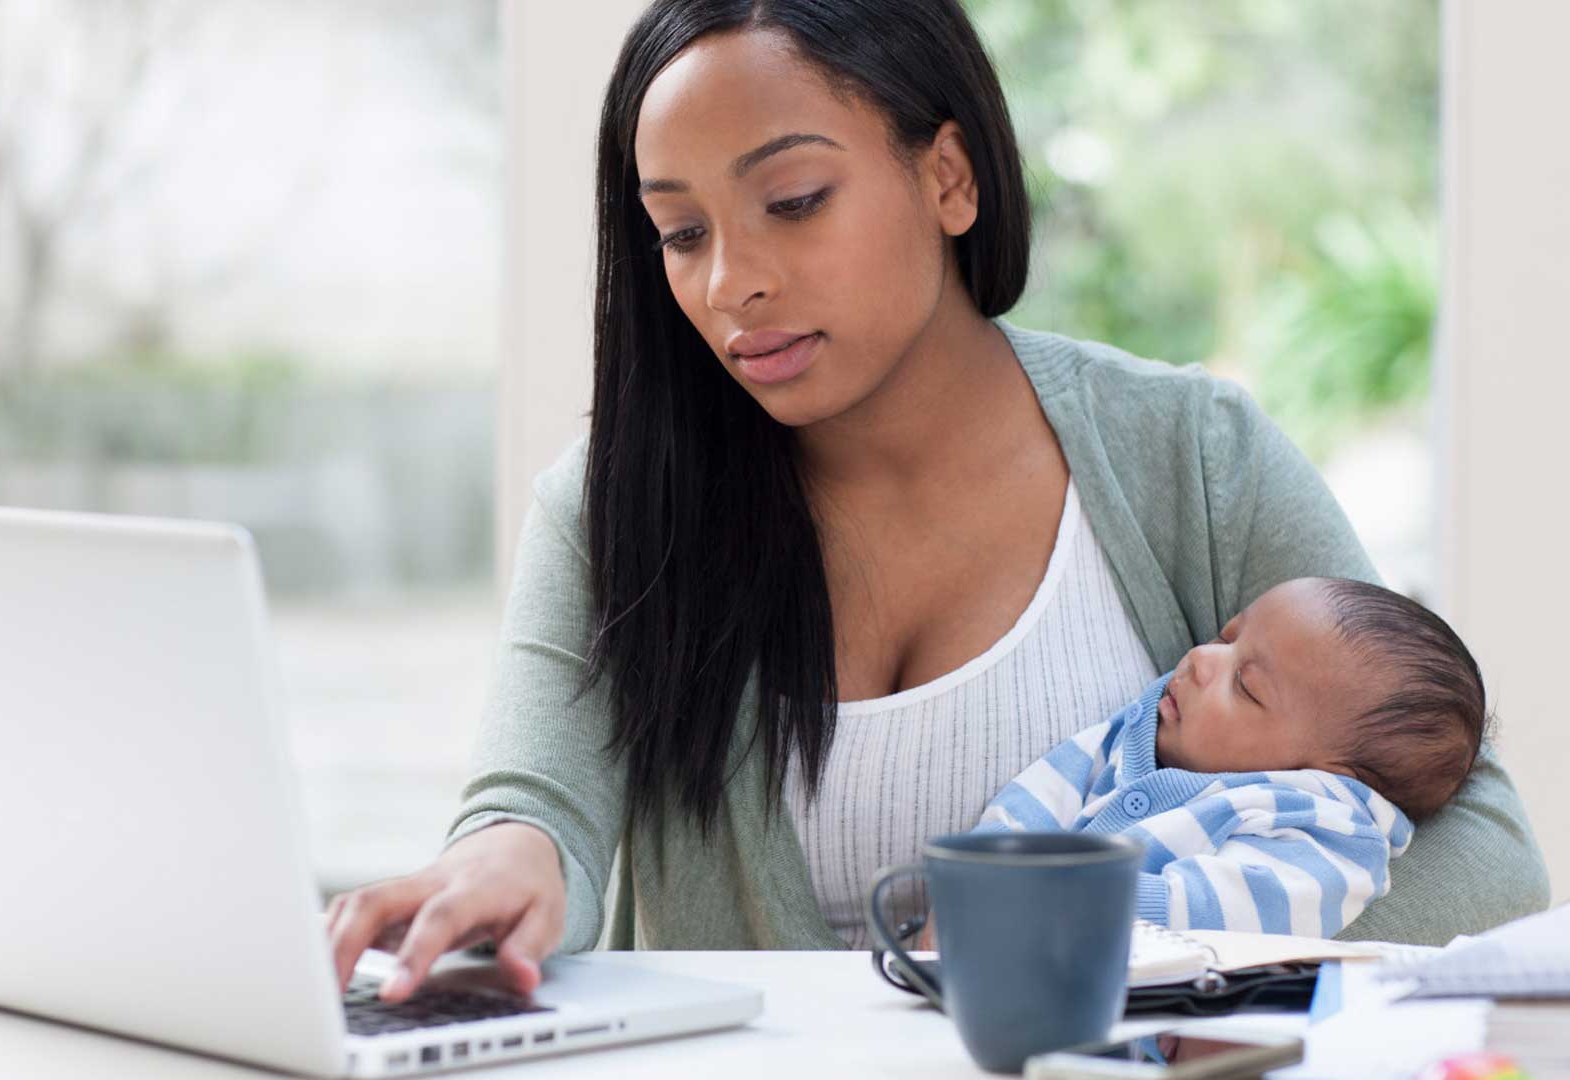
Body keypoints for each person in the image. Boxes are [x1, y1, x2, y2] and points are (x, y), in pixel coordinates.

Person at [327, 0, 1550, 1001]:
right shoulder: (612, 505)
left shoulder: (1192, 457)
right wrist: (501, 867)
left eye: (793, 201)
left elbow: (1487, 859)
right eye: (681, 231)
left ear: (949, 177)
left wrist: (1106, 952)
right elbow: (534, 809)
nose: (731, 282)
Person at [965, 577, 1484, 938]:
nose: (1201, 659)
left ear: (1321, 775)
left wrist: (1048, 898)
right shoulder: (1145, 727)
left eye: (1245, 686)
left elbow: (1208, 911)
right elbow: (1047, 789)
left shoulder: (1324, 837)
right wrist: (982, 870)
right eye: (1226, 637)